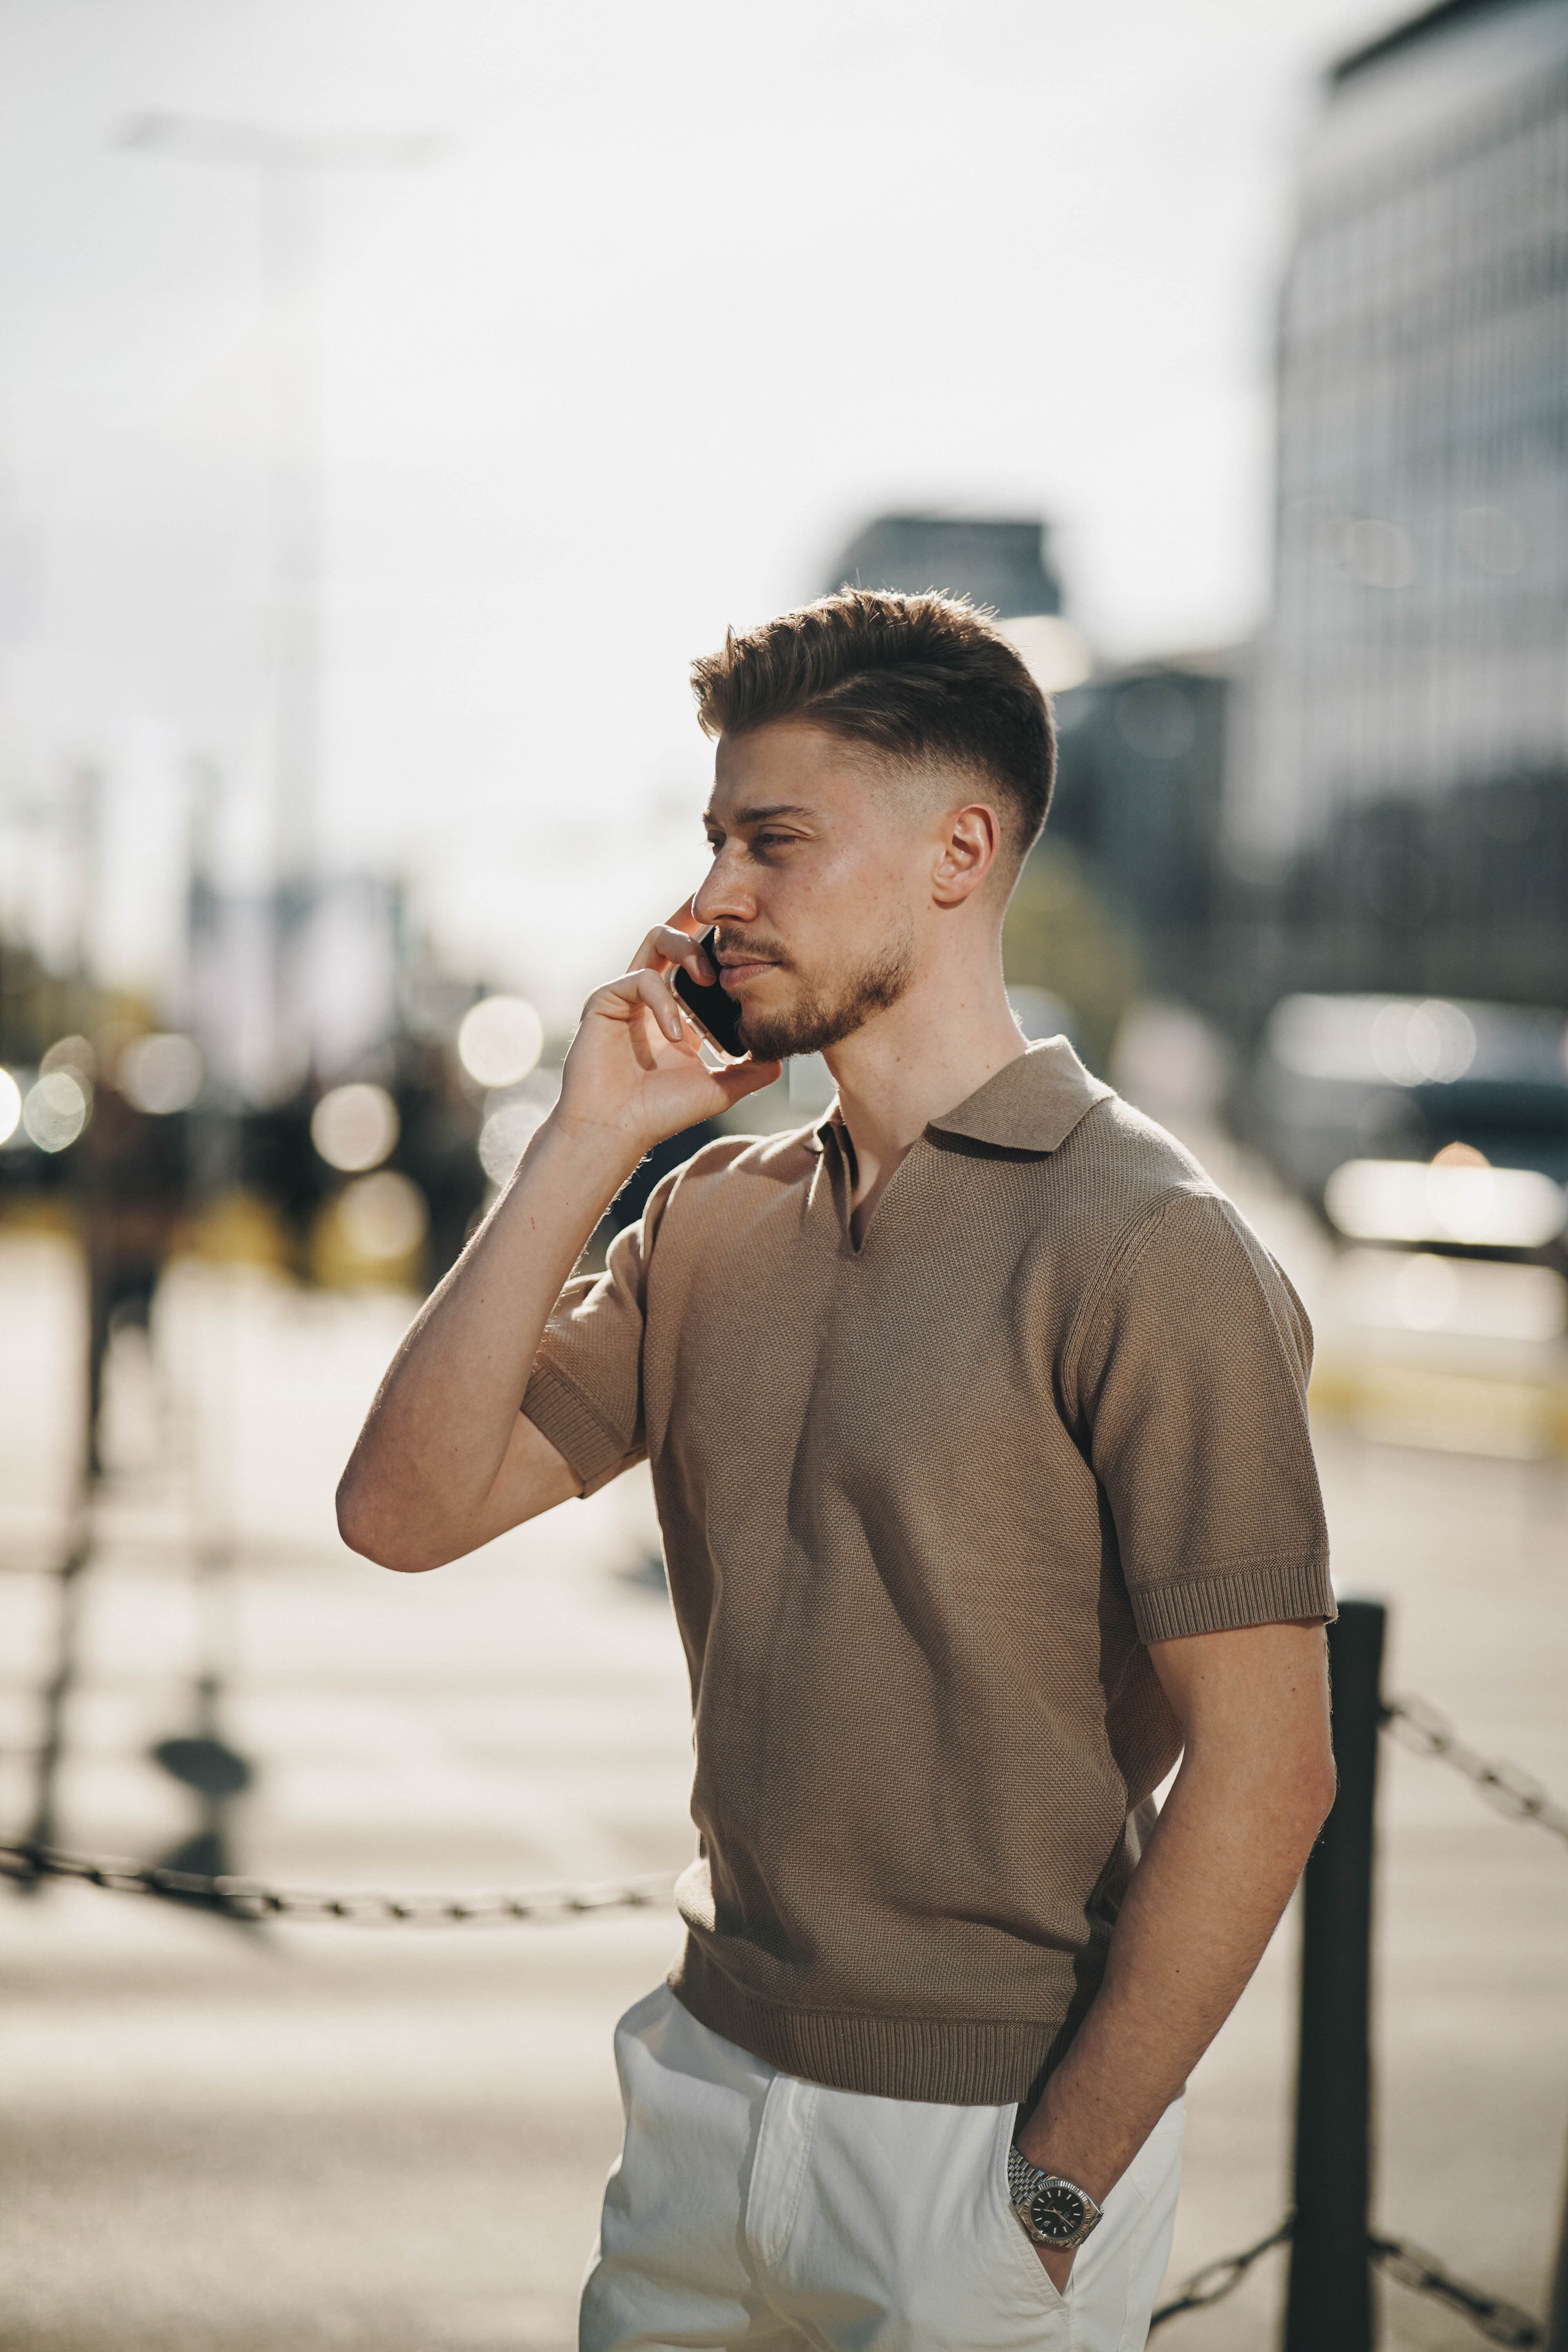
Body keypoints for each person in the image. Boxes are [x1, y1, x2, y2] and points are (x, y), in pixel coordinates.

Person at [338, 590, 1337, 2352]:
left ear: (960, 853)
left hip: (985, 2155)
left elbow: (1269, 1775)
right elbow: (403, 1513)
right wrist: (585, 1145)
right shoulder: (715, 1221)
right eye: (715, 837)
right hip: (701, 2091)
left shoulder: (1150, 1249)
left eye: (771, 842)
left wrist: (1055, 2187)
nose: (713, 894)